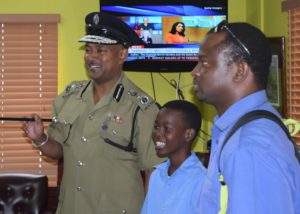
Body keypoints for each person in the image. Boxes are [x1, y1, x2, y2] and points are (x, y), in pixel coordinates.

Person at [22, 12, 164, 214]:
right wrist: (40, 138)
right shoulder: (69, 98)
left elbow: (154, 170)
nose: (92, 57)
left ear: (122, 54)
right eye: (88, 50)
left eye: (101, 50)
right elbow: (58, 152)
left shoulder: (141, 108)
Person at [191, 20, 300, 214]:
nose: (195, 72)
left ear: (239, 71)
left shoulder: (249, 146)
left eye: (204, 63)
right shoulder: (245, 127)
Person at [140, 100, 206, 214]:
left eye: (167, 129)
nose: (157, 133)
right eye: (156, 126)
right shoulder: (156, 176)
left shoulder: (201, 180)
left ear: (188, 134)